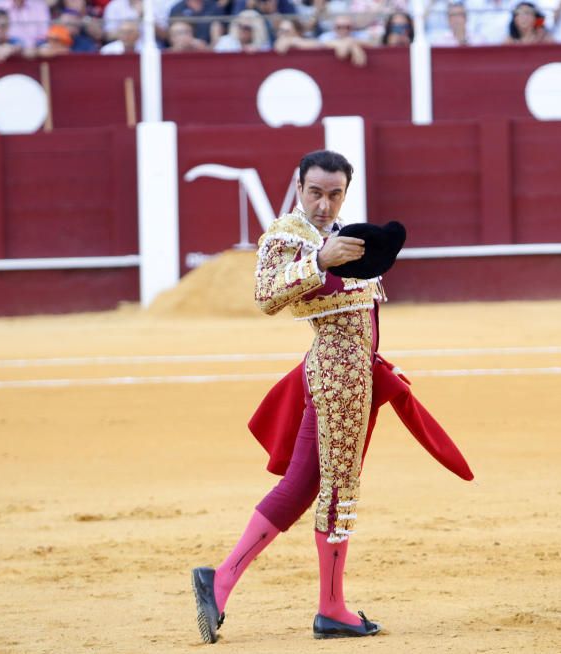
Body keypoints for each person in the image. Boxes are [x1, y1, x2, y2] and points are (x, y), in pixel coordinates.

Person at [190, 149, 473, 644]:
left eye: (334, 193)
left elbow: (363, 316)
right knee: (339, 491)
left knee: (302, 486)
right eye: (316, 192)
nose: (324, 204)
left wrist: (377, 362)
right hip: (335, 377)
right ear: (299, 187)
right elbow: (265, 296)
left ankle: (222, 580)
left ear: (346, 192)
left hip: (350, 371)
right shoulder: (288, 235)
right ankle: (331, 608)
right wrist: (318, 260)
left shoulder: (347, 235)